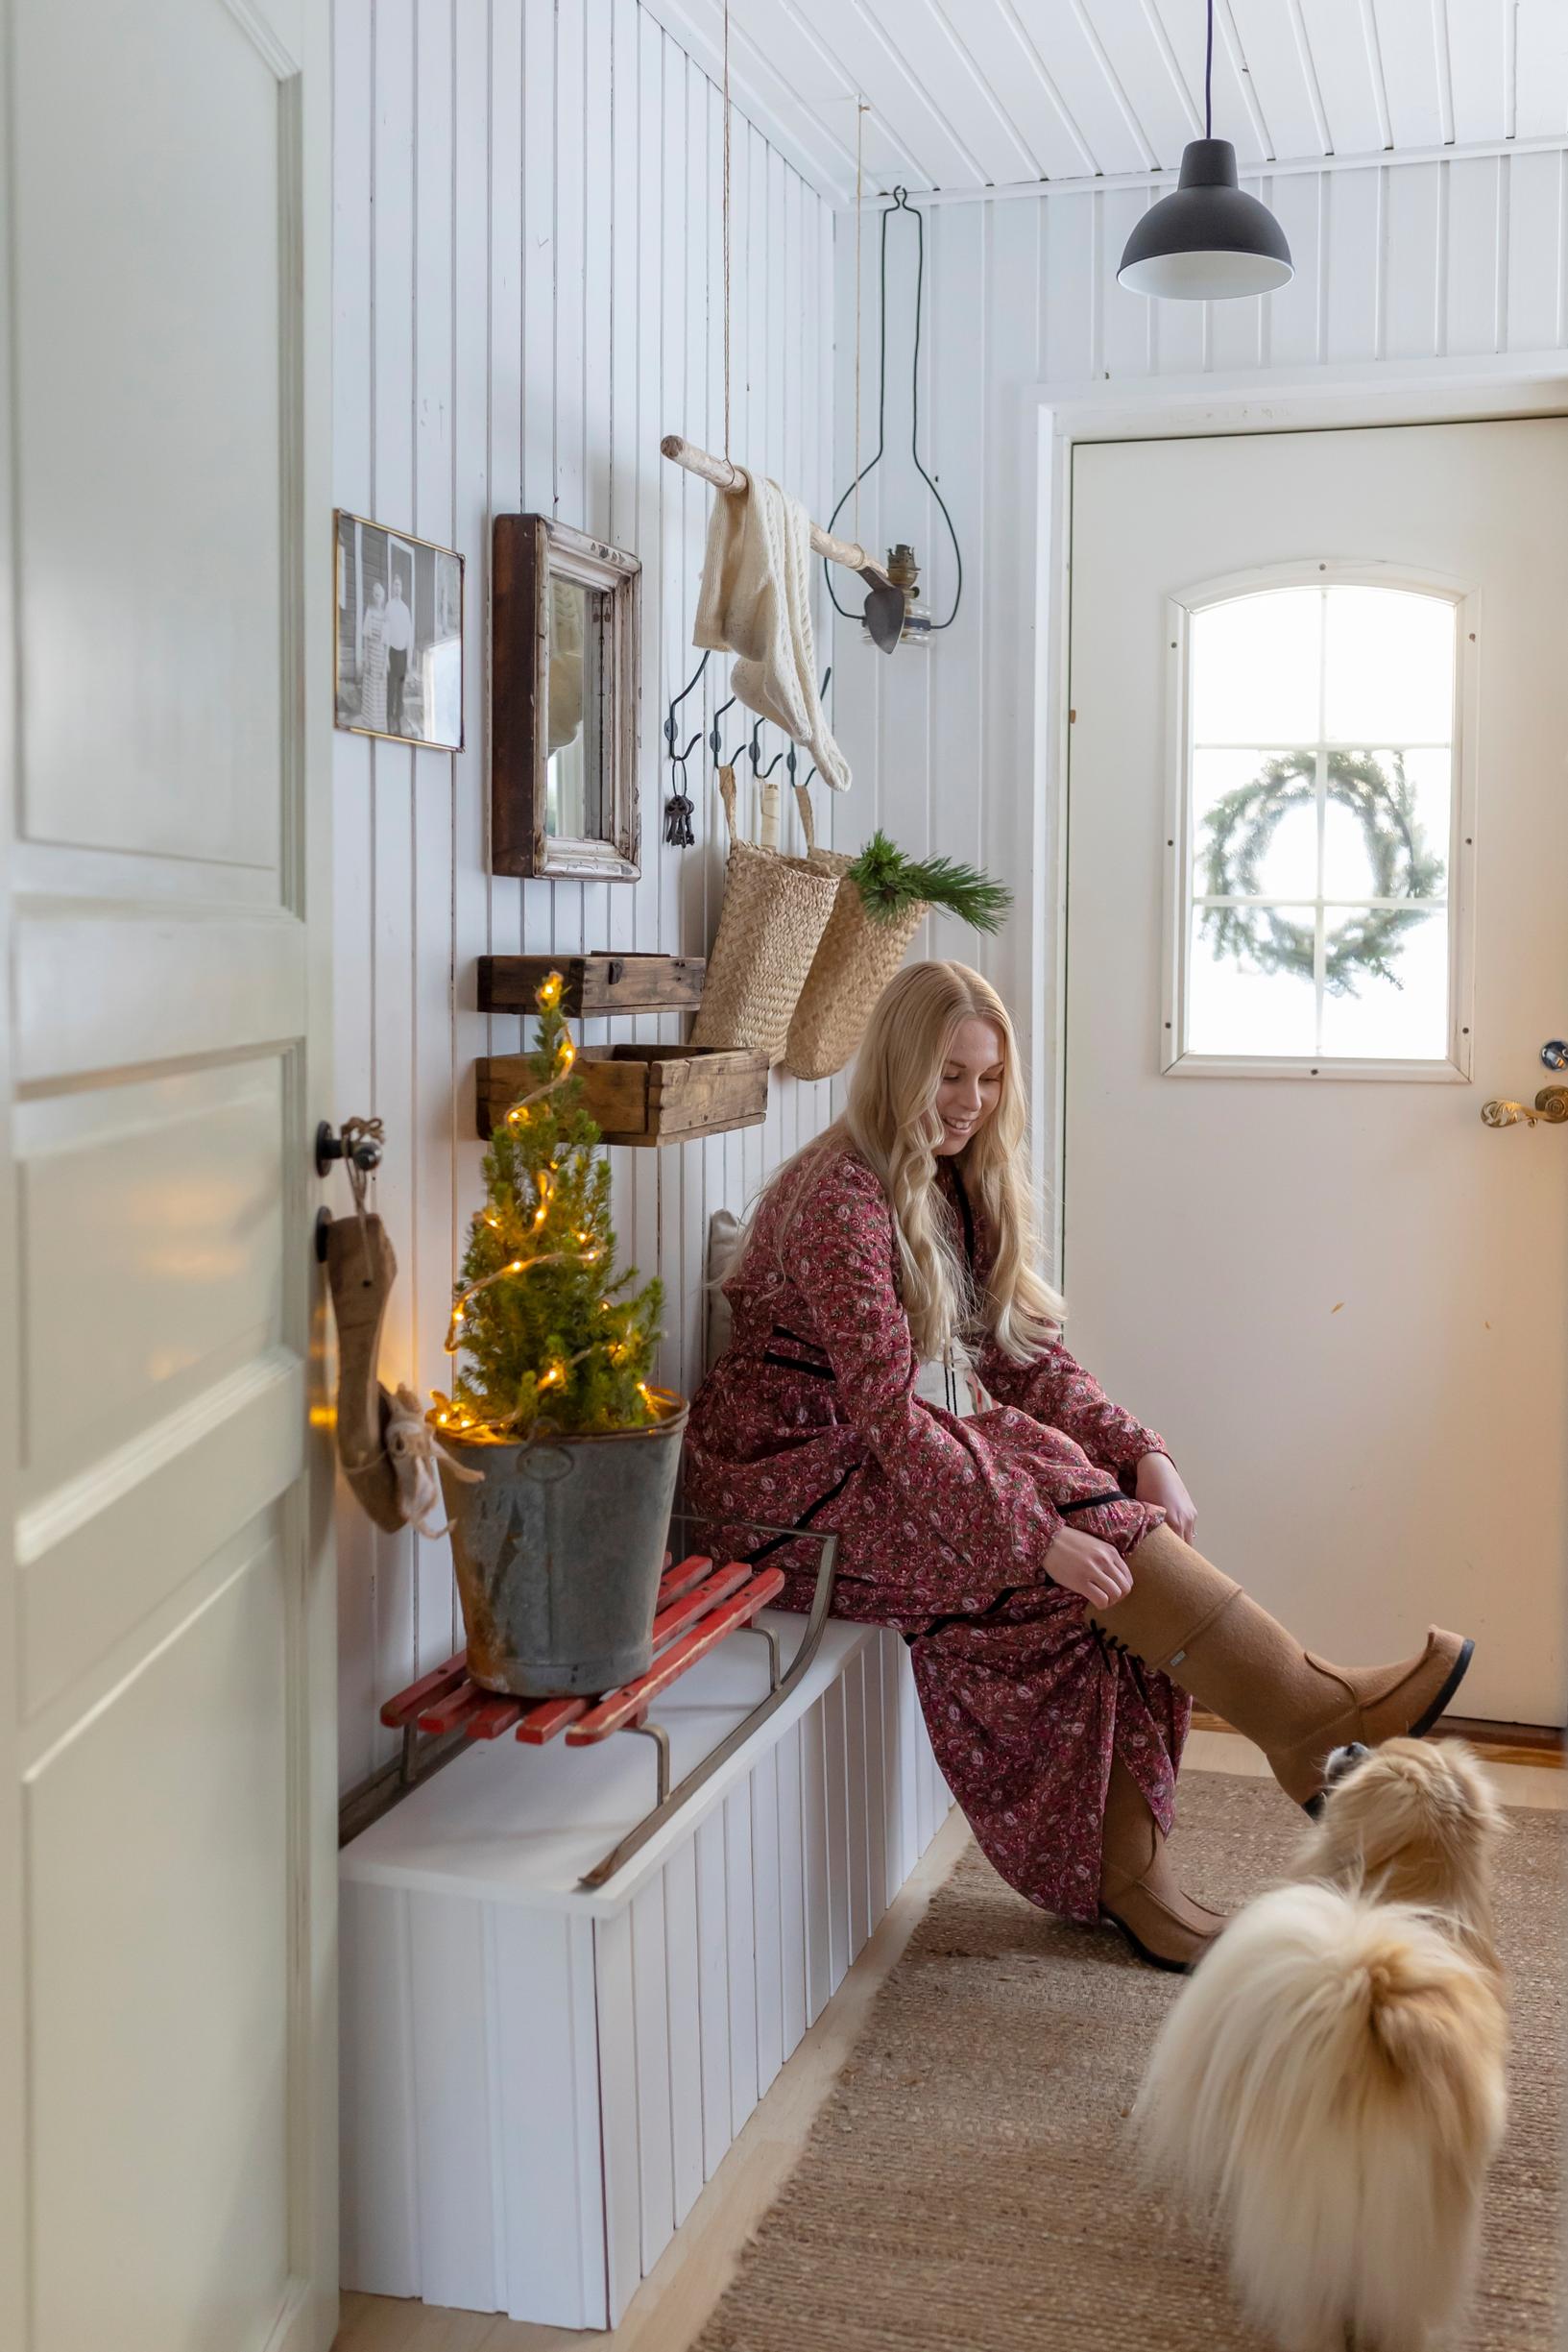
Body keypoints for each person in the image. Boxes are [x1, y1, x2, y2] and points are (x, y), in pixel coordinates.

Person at [684, 961, 1473, 1972]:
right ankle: (1303, 1723)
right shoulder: (842, 1196)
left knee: (1075, 1500)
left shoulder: (949, 1181)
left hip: (855, 1461)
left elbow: (1022, 1359)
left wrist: (1139, 1450)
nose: (970, 1103)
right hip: (778, 1494)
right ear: (894, 1067)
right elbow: (886, 1413)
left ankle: (1218, 1804)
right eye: (948, 1076)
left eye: (987, 1078)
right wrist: (1032, 1534)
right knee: (1060, 1531)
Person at [383, 569, 414, 735]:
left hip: (402, 653)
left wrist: (409, 659)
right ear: (392, 587)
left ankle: (398, 718)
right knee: (391, 687)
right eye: (394, 585)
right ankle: (389, 719)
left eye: (399, 585)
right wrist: (386, 658)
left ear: (402, 588)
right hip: (391, 653)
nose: (396, 588)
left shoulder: (405, 609)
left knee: (400, 689)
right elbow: (386, 631)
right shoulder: (388, 606)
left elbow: (409, 634)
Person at [358, 579, 389, 733]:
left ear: (383, 597)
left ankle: (378, 725)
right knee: (370, 688)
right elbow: (365, 637)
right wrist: (366, 659)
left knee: (379, 689)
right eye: (375, 595)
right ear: (373, 595)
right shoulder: (369, 612)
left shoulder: (385, 616)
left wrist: (384, 666)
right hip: (371, 653)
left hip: (381, 655)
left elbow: (387, 644)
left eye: (380, 595)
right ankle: (368, 723)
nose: (378, 598)